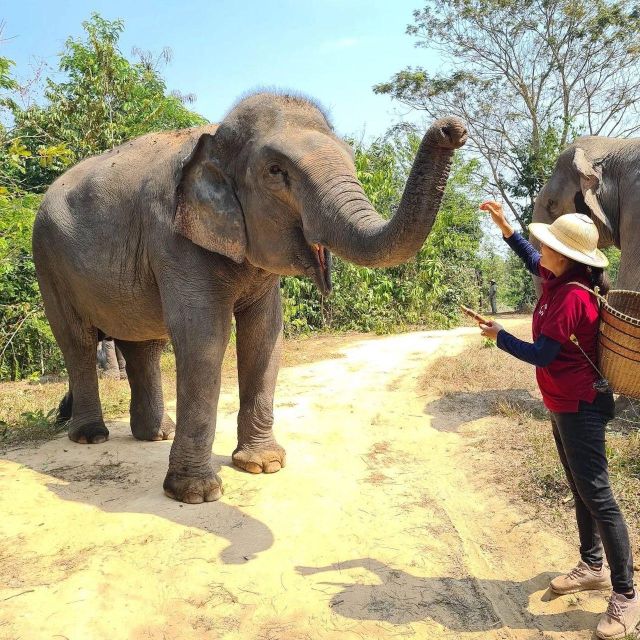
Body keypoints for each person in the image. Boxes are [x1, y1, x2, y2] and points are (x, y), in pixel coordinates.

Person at [479, 200, 638, 640]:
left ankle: (626, 593)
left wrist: (499, 336)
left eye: (548, 245)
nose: (540, 249)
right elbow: (532, 259)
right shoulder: (558, 278)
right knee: (580, 490)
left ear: (566, 257)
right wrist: (508, 229)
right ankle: (592, 565)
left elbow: (542, 354)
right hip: (560, 402)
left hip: (580, 406)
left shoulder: (570, 296)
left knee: (599, 497)